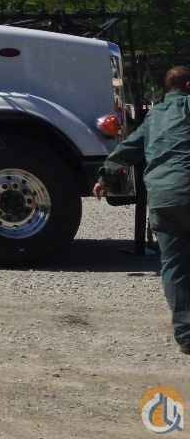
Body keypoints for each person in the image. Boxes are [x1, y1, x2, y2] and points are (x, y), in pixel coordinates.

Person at [97, 64, 190, 354]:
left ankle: (186, 337)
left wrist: (105, 178)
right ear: (187, 87)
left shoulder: (153, 118)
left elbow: (124, 151)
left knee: (174, 266)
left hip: (163, 199)